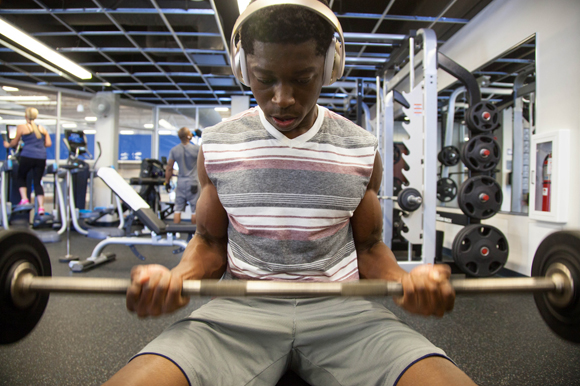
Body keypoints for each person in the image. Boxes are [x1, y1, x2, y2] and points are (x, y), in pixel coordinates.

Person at [104, 1, 477, 385]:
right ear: (242, 68)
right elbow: (210, 242)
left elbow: (367, 248)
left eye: (302, 79)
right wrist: (177, 276)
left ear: (329, 68)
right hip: (241, 311)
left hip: (342, 312)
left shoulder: (361, 148)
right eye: (264, 79)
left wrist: (404, 280)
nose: (282, 98)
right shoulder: (217, 146)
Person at [3, 107, 52, 214]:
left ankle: (24, 199)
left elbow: (14, 143)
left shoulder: (22, 127)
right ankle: (41, 207)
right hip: (41, 157)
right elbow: (48, 144)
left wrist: (7, 145)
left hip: (28, 156)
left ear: (26, 116)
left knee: (21, 177)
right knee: (37, 182)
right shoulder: (42, 129)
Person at [164, 127, 200, 224]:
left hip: (180, 183)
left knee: (177, 209)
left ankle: (175, 235)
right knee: (195, 210)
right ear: (189, 136)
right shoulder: (196, 149)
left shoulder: (174, 150)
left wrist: (167, 182)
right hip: (193, 182)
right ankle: (194, 235)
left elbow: (169, 168)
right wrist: (199, 137)